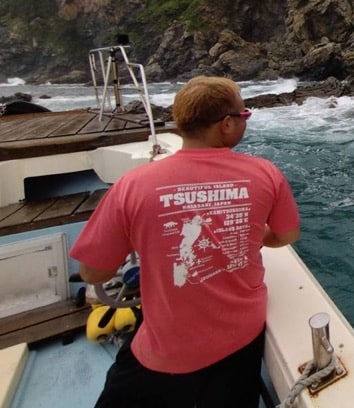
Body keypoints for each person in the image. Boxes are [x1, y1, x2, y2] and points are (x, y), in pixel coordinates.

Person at [71, 76, 301, 407]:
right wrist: (243, 238)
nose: (244, 122)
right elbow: (286, 235)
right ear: (225, 124)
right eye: (243, 116)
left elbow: (93, 273)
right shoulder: (266, 174)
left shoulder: (132, 185)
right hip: (241, 342)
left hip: (165, 351)